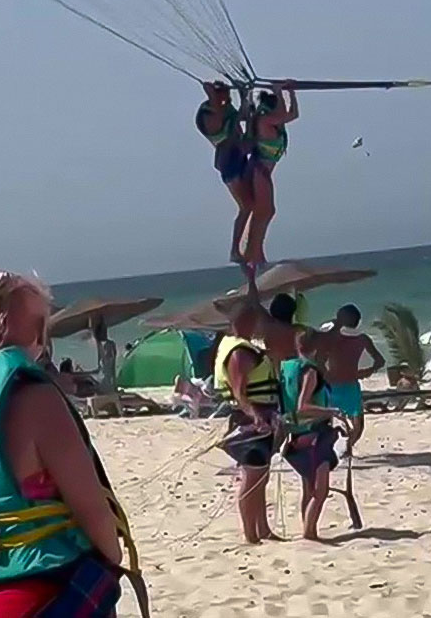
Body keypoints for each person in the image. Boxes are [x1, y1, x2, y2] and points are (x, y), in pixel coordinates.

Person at [0, 272, 141, 618]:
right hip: (45, 591)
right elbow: (92, 509)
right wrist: (112, 558)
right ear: (38, 331)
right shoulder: (35, 397)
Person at [213, 295, 282, 544]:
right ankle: (250, 535)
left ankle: (263, 530)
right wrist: (256, 417)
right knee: (251, 478)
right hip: (249, 421)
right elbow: (239, 391)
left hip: (261, 418)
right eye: (255, 320)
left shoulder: (239, 345)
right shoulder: (239, 352)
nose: (258, 325)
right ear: (246, 321)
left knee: (261, 476)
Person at [281, 330, 344, 541]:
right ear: (316, 348)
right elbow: (303, 406)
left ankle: (308, 530)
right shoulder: (310, 371)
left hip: (296, 434)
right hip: (314, 435)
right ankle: (309, 533)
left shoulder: (287, 368)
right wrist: (332, 411)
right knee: (320, 490)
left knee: (308, 488)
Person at [244, 81, 299, 268]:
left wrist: (284, 92)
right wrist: (287, 93)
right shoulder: (264, 121)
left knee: (264, 212)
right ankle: (254, 256)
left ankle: (255, 254)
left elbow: (286, 113)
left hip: (262, 172)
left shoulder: (272, 121)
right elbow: (291, 114)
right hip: (258, 171)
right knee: (264, 212)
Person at [317, 304, 385, 454]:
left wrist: (325, 374)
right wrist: (367, 371)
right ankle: (346, 447)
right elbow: (380, 361)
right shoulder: (362, 339)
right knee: (357, 425)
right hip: (350, 383)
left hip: (332, 384)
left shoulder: (332, 339)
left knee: (329, 422)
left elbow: (319, 361)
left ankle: (338, 449)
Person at [196, 80, 252, 262]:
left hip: (239, 157)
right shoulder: (209, 113)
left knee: (252, 204)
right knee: (246, 206)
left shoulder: (225, 107)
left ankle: (247, 247)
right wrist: (214, 91)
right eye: (225, 93)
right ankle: (235, 250)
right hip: (229, 162)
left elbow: (244, 116)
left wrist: (244, 94)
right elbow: (217, 105)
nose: (228, 96)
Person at [91, 316, 117, 394]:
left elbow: (113, 364)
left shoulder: (110, 344)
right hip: (103, 380)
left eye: (105, 331)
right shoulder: (99, 345)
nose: (105, 333)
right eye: (103, 331)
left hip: (106, 380)